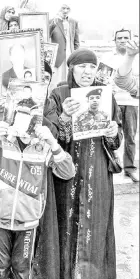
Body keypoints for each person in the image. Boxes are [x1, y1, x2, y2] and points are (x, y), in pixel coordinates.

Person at [0, 109, 74, 279]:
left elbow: (68, 173)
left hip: (28, 220)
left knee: (22, 269)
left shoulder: (43, 146)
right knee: (0, 269)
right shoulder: (1, 142)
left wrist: (53, 142)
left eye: (33, 114)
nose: (28, 119)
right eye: (23, 114)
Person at [47, 48, 122, 279]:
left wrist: (112, 131)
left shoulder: (107, 96)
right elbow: (50, 134)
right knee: (66, 224)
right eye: (82, 66)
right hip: (67, 172)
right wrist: (65, 118)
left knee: (96, 227)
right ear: (71, 69)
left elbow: (117, 140)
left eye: (92, 66)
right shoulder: (59, 95)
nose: (87, 71)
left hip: (97, 171)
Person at [103, 29, 139, 182]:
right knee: (112, 134)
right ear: (115, 40)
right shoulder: (107, 57)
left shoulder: (136, 57)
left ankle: (130, 168)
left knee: (130, 137)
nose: (123, 40)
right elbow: (102, 77)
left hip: (131, 102)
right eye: (120, 38)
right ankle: (110, 165)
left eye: (126, 37)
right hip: (113, 101)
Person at [49, 4, 80, 89]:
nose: (65, 11)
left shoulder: (74, 22)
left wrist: (75, 54)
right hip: (57, 57)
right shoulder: (52, 21)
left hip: (70, 56)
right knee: (56, 81)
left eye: (68, 8)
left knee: (69, 80)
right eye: (63, 8)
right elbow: (46, 37)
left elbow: (76, 41)